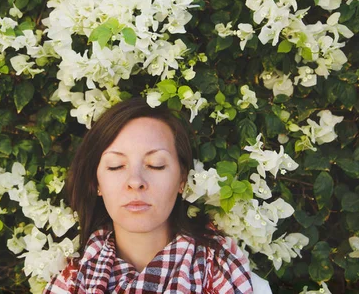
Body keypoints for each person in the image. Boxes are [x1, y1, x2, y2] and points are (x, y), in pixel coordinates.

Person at [43, 97, 255, 294]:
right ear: (96, 182)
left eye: (156, 165)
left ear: (182, 178)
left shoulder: (230, 274)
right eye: (116, 166)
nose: (135, 181)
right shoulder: (68, 284)